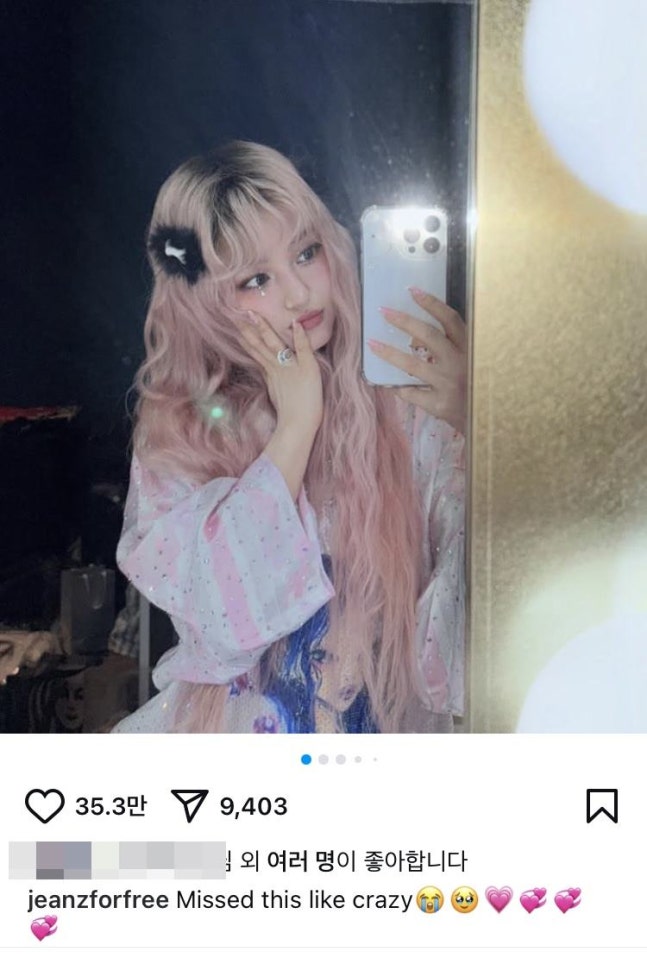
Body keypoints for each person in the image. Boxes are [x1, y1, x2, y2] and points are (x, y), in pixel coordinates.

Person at [112, 141, 466, 734]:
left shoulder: (405, 400)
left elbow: (476, 620)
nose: (299, 294)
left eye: (306, 252)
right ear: (203, 302)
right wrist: (297, 426)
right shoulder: (185, 428)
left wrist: (476, 424)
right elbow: (222, 622)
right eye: (256, 279)